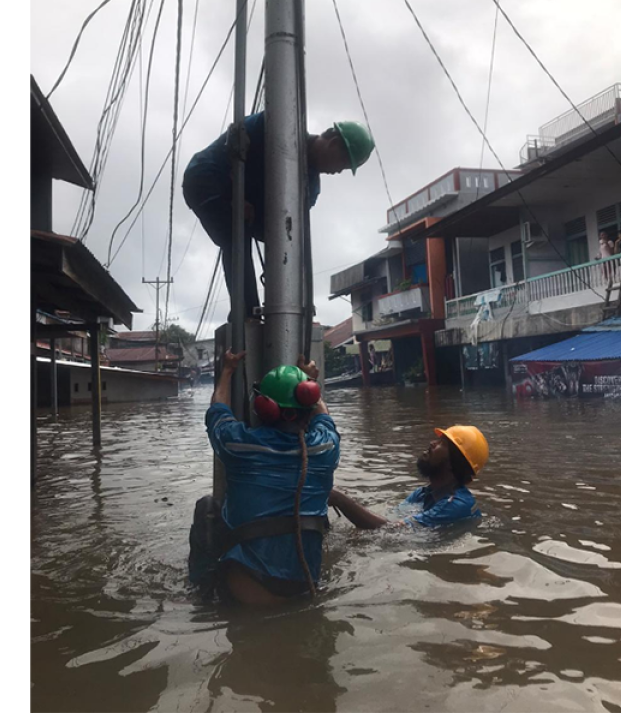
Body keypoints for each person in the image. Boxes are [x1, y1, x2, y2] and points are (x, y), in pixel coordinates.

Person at [183, 115, 376, 317]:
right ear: (334, 144)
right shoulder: (278, 123)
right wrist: (234, 196)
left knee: (279, 241)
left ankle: (278, 314)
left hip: (251, 205)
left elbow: (285, 231)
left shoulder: (310, 188)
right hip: (206, 177)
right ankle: (245, 314)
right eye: (343, 164)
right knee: (236, 234)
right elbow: (231, 146)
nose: (338, 171)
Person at [189, 352, 341, 606]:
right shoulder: (326, 447)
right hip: (305, 585)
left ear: (263, 407)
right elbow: (323, 415)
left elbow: (218, 409)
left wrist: (227, 371)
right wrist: (308, 381)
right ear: (310, 397)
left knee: (207, 507)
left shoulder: (239, 444)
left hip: (248, 587)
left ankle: (200, 593)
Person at [328, 426, 490, 530]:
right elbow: (391, 518)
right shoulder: (423, 493)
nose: (432, 443)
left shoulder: (455, 505)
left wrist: (340, 499)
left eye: (443, 443)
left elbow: (389, 531)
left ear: (453, 463)